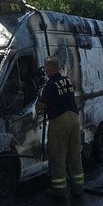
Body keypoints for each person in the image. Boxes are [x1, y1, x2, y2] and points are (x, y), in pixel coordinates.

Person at [37, 56, 84, 198]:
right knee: (74, 155)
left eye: (46, 68)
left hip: (59, 121)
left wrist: (39, 98)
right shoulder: (67, 81)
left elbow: (41, 106)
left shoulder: (50, 85)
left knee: (57, 155)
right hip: (74, 120)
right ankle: (78, 188)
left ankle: (59, 191)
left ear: (49, 69)